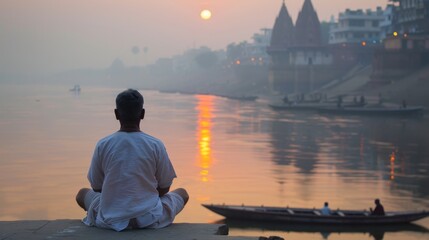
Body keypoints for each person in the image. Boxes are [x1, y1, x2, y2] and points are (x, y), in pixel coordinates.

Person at [76, 89, 189, 231]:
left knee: (82, 194)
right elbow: (165, 187)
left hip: (110, 218)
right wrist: (144, 195)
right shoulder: (155, 145)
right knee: (182, 193)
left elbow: (97, 187)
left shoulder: (103, 144)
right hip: (150, 217)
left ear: (116, 114)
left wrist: (118, 196)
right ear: (142, 114)